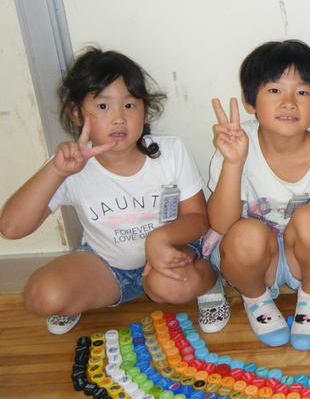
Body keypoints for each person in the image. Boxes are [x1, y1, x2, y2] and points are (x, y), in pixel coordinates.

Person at [0, 48, 226, 334]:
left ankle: (210, 282)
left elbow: (198, 218)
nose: (119, 118)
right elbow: (11, 228)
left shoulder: (170, 151)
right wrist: (56, 172)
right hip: (109, 266)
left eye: (129, 105)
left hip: (173, 256)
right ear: (76, 113)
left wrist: (160, 239)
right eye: (104, 106)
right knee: (42, 297)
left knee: (167, 287)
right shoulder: (69, 165)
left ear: (145, 110)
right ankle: (80, 297)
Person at [207, 40, 310, 350]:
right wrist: (234, 163)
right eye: (274, 90)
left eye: (302, 92)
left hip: (307, 259)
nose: (289, 103)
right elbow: (220, 224)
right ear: (250, 102)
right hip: (256, 260)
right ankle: (256, 299)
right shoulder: (236, 144)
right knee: (245, 233)